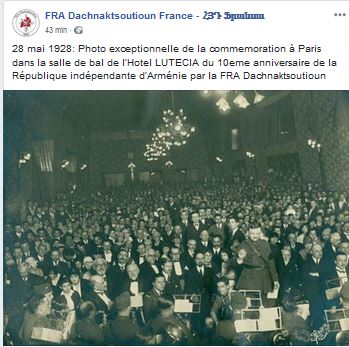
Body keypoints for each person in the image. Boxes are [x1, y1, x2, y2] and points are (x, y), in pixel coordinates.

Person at [233, 225, 279, 306]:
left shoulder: (265, 244)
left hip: (265, 280)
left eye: (257, 233)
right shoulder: (244, 244)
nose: (255, 236)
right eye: (252, 233)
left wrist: (275, 279)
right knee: (251, 307)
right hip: (250, 281)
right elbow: (235, 262)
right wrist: (239, 260)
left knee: (264, 306)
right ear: (248, 233)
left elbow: (271, 263)